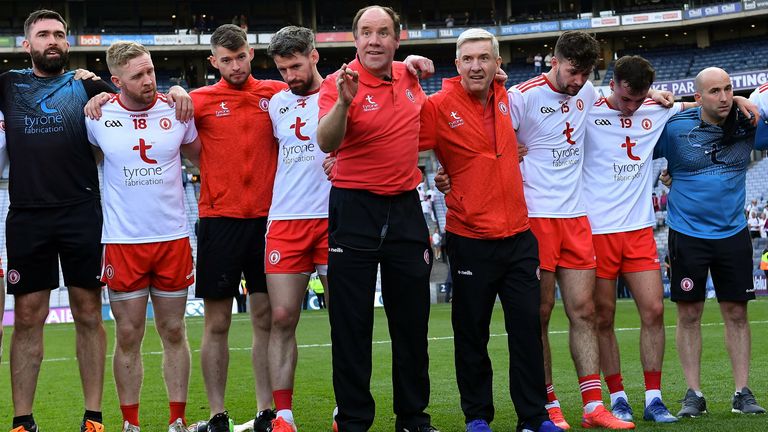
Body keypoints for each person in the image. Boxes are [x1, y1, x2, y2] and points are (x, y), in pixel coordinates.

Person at [3, 10, 193, 432]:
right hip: (27, 215)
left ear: (67, 44)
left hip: (83, 211)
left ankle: (94, 417)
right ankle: (22, 420)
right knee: (29, 315)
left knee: (89, 311)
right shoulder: (8, 85)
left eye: (59, 34)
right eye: (43, 34)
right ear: (26, 44)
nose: (52, 40)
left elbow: (142, 95)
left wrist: (179, 87)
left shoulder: (88, 84)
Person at [419, 28, 561, 432]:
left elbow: (565, 90)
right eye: (468, 59)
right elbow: (401, 142)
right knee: (471, 335)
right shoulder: (439, 105)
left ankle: (533, 417)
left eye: (484, 58)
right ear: (457, 64)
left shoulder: (509, 97)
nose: (476, 66)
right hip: (470, 238)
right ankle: (478, 417)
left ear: (499, 64)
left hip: (519, 236)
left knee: (527, 332)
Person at [316, 5, 438, 432]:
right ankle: (353, 420)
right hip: (354, 207)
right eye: (366, 32)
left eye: (383, 33)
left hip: (405, 207)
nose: (374, 41)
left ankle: (413, 418)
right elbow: (325, 140)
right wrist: (344, 106)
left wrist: (413, 63)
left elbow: (409, 74)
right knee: (351, 324)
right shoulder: (338, 84)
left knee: (411, 321)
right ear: (355, 38)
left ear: (396, 39)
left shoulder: (408, 75)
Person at [86, 41, 201, 432]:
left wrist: (184, 91)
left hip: (172, 239)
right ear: (116, 80)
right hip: (122, 242)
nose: (149, 80)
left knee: (174, 330)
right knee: (128, 334)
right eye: (137, 75)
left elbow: (205, 158)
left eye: (150, 71)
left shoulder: (177, 109)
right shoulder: (97, 116)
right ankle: (130, 423)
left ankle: (178, 419)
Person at [654, 67, 768, 418]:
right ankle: (694, 393)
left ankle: (742, 392)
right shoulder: (674, 128)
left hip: (733, 233)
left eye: (728, 89)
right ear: (698, 97)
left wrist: (741, 99)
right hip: (687, 234)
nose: (722, 97)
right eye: (714, 91)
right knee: (689, 313)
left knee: (736, 312)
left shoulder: (749, 121)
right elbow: (628, 118)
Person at [191, 24, 286, 432]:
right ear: (213, 62)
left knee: (266, 316)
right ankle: (217, 414)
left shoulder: (275, 94)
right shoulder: (198, 100)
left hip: (269, 220)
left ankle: (266, 410)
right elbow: (149, 106)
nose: (235, 65)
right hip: (219, 220)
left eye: (241, 56)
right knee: (217, 322)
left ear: (252, 54)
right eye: (225, 60)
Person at [582, 55, 687, 423]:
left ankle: (654, 398)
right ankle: (619, 397)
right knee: (603, 317)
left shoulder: (654, 108)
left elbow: (701, 106)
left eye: (638, 100)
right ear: (612, 85)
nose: (631, 108)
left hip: (639, 230)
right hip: (596, 233)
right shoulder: (586, 107)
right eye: (626, 99)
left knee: (655, 310)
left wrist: (738, 100)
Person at [261, 25, 332, 432]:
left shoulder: (341, 91)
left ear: (314, 55)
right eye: (283, 68)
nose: (290, 76)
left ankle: (347, 406)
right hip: (286, 221)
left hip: (335, 218)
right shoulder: (273, 104)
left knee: (346, 317)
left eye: (296, 65)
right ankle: (284, 416)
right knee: (283, 315)